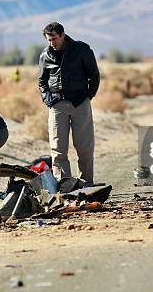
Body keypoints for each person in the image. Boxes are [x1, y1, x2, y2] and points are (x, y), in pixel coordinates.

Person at [38, 22, 100, 183]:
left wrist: (88, 96)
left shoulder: (81, 50)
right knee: (58, 149)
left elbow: (94, 75)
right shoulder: (45, 55)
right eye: (48, 39)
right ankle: (64, 183)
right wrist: (48, 100)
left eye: (54, 38)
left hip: (80, 103)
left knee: (84, 147)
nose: (52, 42)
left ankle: (86, 183)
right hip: (57, 105)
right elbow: (42, 82)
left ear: (62, 35)